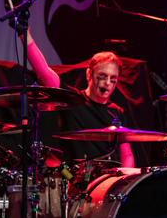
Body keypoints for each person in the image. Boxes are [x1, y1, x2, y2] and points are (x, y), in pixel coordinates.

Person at [20, 29, 135, 168]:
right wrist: (25, 35)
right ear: (89, 74)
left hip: (111, 177)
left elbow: (126, 153)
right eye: (102, 76)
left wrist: (127, 175)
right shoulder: (73, 99)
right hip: (79, 175)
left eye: (113, 78)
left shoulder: (117, 111)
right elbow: (44, 72)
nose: (107, 83)